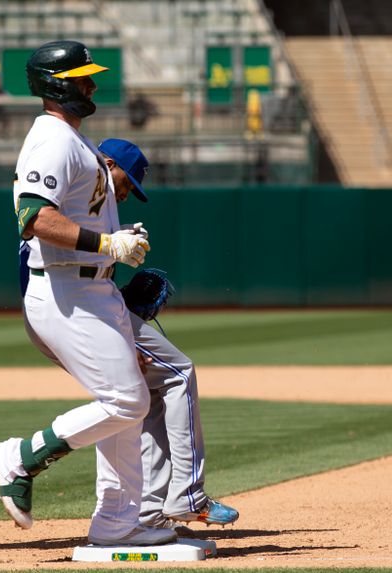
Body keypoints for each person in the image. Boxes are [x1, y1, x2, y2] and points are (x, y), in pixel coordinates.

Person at [0, 40, 176, 548]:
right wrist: (107, 243)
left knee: (124, 400)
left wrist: (115, 246)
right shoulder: (51, 139)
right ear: (56, 85)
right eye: (82, 77)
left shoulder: (76, 139)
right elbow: (33, 218)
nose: (91, 85)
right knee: (127, 400)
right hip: (65, 290)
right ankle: (21, 455)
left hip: (92, 289)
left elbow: (78, 212)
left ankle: (117, 521)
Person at [94, 139, 240, 529]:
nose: (125, 194)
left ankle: (151, 511)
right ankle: (189, 496)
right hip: (88, 311)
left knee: (152, 395)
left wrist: (115, 237)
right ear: (109, 164)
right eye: (126, 184)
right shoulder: (82, 188)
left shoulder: (94, 200)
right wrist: (110, 245)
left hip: (92, 309)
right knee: (179, 373)